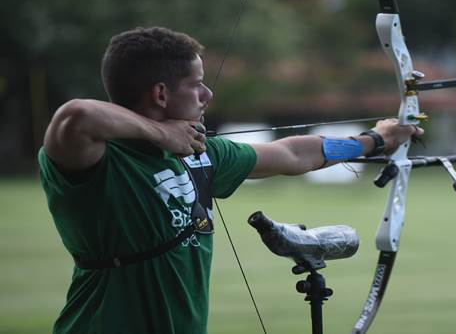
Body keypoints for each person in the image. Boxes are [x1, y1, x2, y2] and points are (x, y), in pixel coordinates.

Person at [38, 26, 421, 334]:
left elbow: (292, 154)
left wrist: (373, 141)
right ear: (160, 92)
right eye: (195, 83)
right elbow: (77, 114)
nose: (207, 94)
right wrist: (161, 135)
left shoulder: (201, 152)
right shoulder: (98, 160)